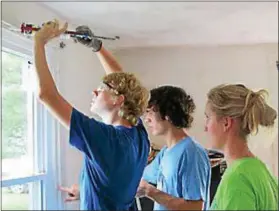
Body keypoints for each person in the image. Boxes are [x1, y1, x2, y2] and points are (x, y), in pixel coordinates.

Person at [33, 20, 150, 210]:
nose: (94, 92)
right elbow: (125, 85)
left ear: (118, 100)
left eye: (101, 89)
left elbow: (47, 95)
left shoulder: (106, 138)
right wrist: (97, 47)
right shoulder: (137, 134)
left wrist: (39, 42)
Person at [136, 86, 211, 210]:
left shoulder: (192, 152)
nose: (146, 119)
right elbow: (140, 176)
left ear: (168, 115)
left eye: (150, 111)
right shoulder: (165, 152)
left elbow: (196, 207)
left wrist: (150, 191)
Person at [204, 84, 278, 210]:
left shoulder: (237, 178)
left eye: (208, 118)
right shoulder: (259, 169)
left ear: (226, 123)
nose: (205, 127)